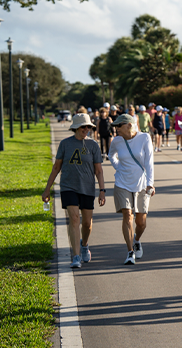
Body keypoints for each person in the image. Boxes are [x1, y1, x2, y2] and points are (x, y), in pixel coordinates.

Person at [42, 114, 106, 268]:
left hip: (87, 187)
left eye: (89, 127)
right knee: (74, 218)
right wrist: (47, 189)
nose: (86, 129)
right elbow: (56, 167)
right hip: (68, 187)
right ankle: (76, 256)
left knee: (87, 223)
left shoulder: (93, 146)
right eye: (83, 127)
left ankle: (84, 245)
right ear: (76, 128)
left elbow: (98, 170)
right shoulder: (65, 144)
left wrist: (102, 190)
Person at [108, 114, 155, 265]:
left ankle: (137, 240)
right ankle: (130, 252)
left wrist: (150, 183)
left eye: (118, 126)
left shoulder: (144, 138)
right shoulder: (116, 141)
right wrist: (118, 168)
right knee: (128, 215)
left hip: (141, 183)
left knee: (141, 222)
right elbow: (111, 155)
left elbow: (149, 162)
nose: (116, 130)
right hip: (122, 182)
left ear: (129, 125)